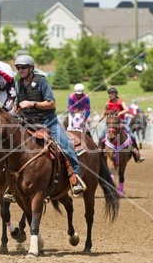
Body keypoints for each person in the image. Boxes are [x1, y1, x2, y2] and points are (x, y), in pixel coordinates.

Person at [13, 55, 85, 196]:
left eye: (23, 67)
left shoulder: (41, 82)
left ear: (31, 68)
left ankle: (75, 178)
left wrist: (32, 103)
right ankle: (12, 184)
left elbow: (51, 103)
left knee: (66, 145)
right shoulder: (18, 84)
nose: (20, 70)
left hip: (47, 121)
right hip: (27, 122)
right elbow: (17, 105)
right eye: (18, 68)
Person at [96, 87, 144, 163]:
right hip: (111, 124)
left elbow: (127, 109)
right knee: (102, 137)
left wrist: (119, 113)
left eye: (112, 93)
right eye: (110, 93)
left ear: (116, 94)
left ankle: (137, 154)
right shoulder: (108, 103)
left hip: (121, 122)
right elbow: (104, 113)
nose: (111, 95)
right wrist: (98, 121)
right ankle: (98, 153)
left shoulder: (120, 101)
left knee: (132, 136)